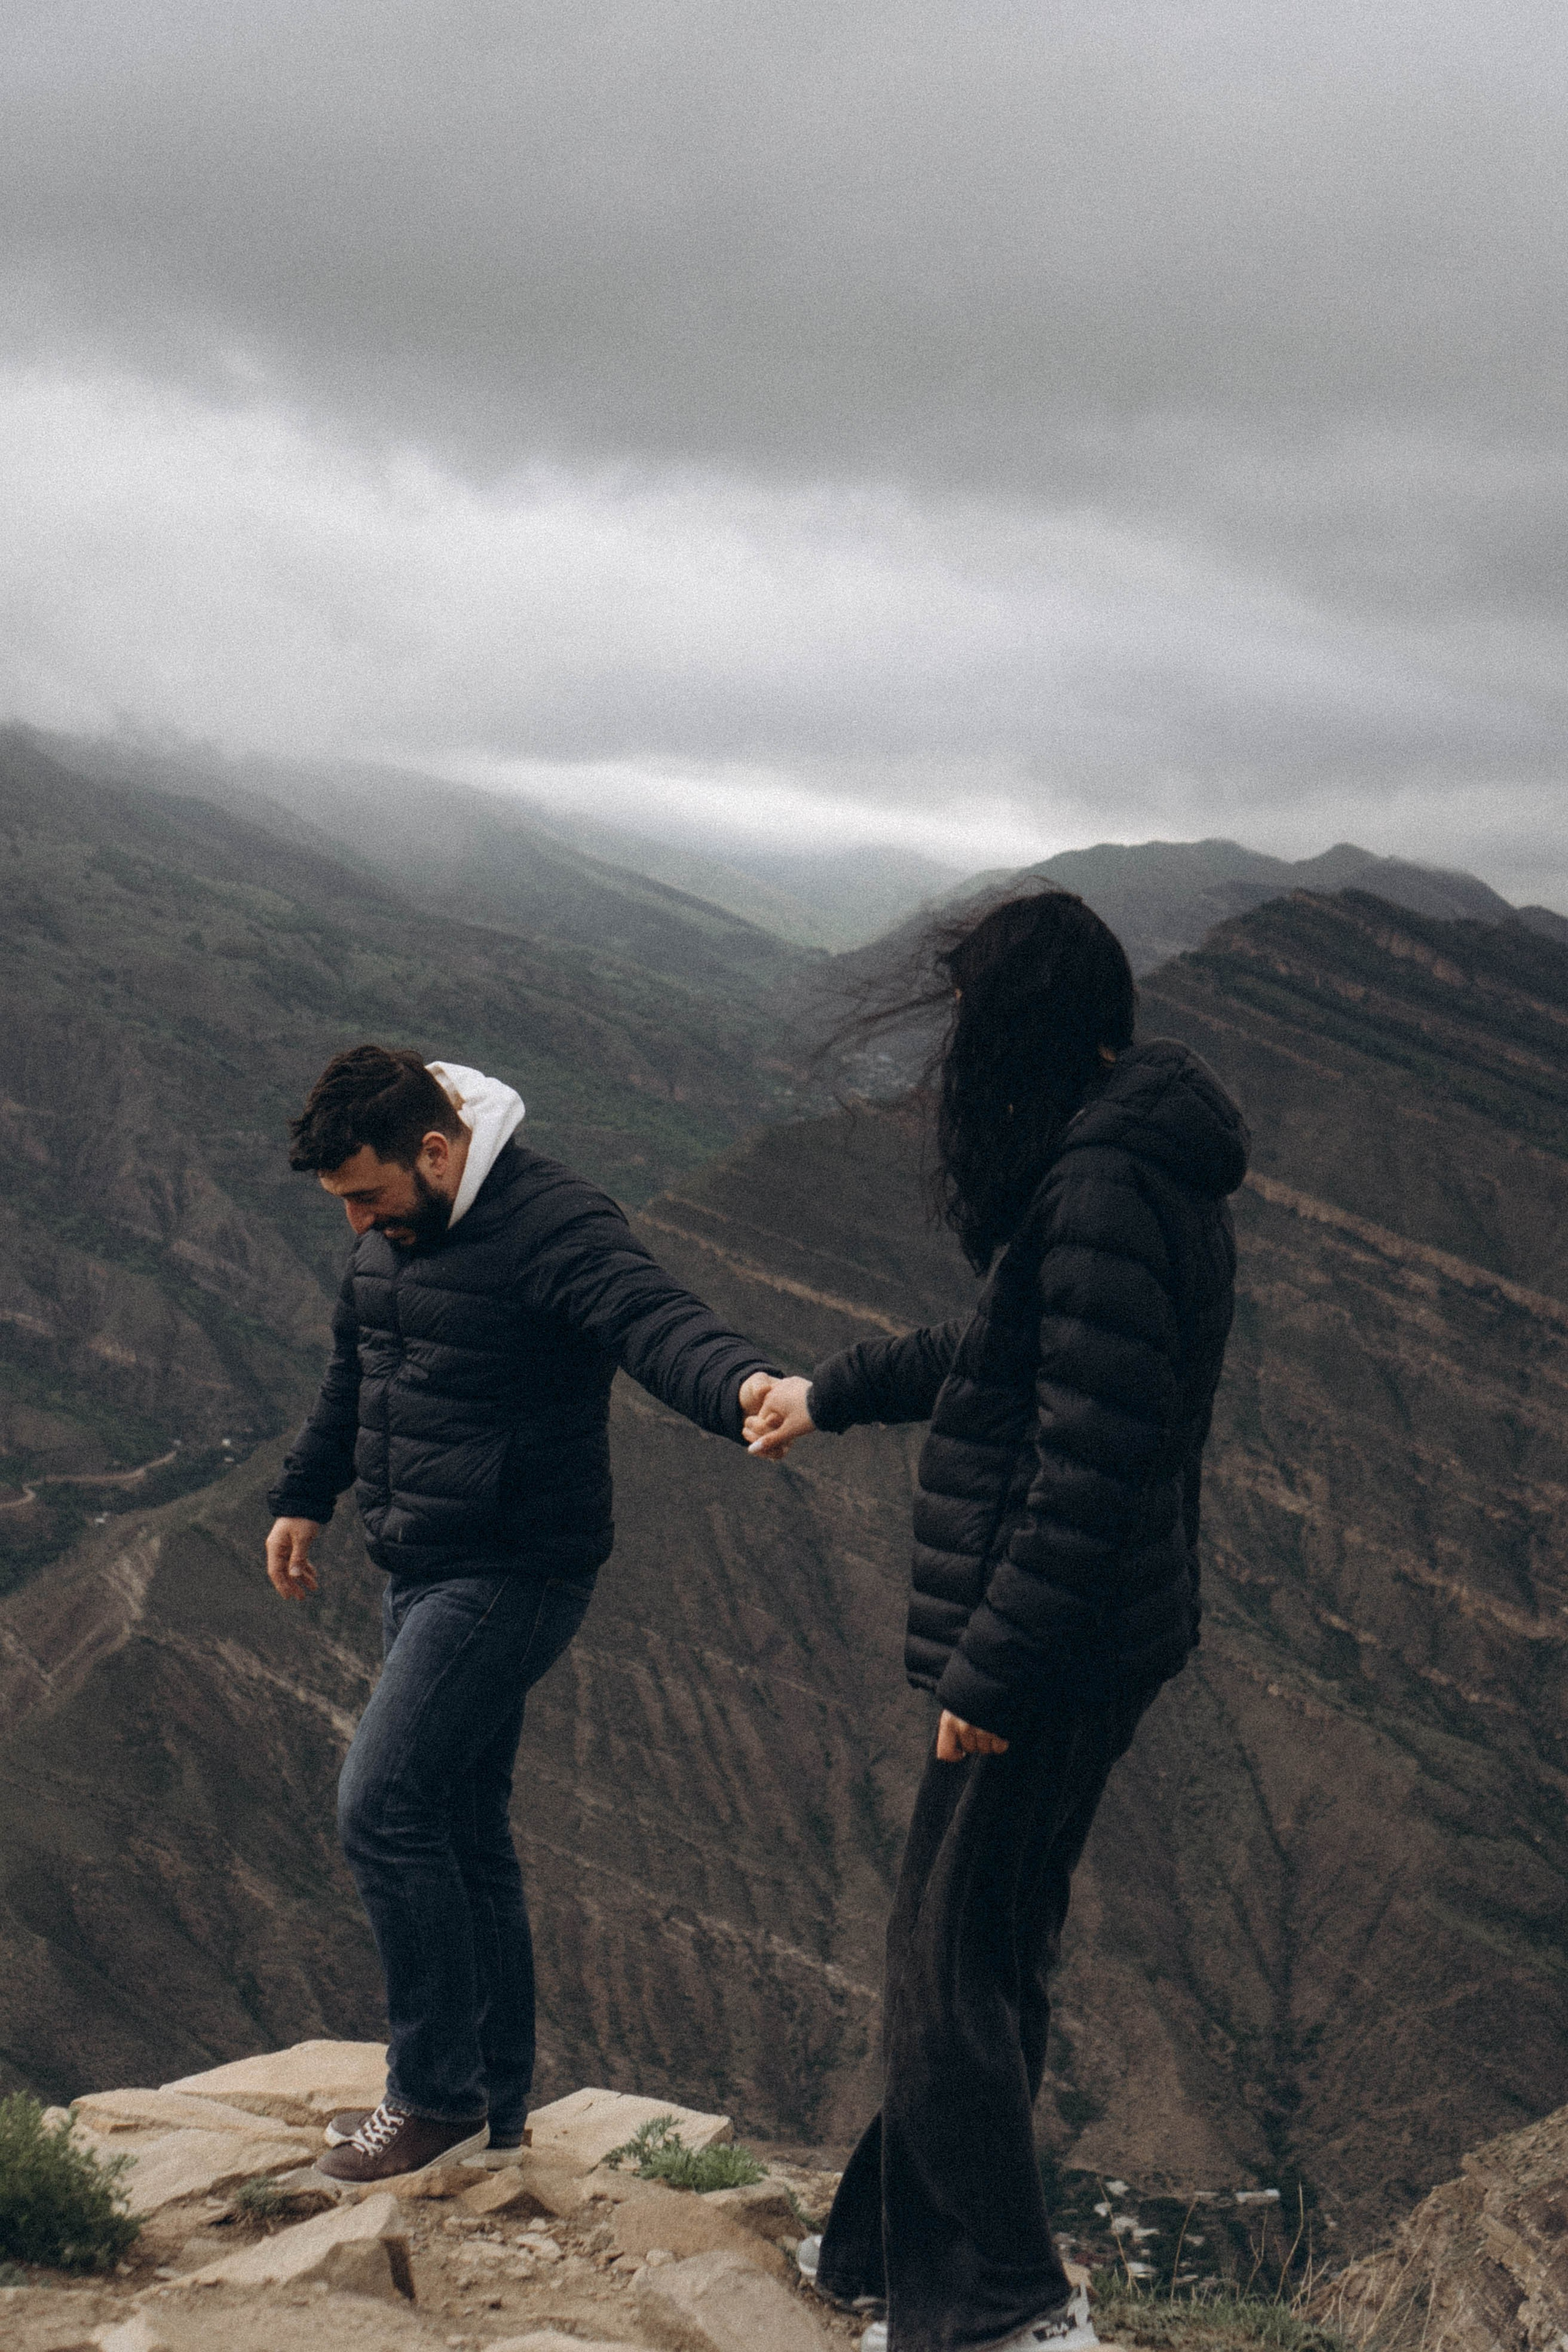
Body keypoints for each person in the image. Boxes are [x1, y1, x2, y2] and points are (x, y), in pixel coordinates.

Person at [744, 889, 1248, 2352]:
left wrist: (995, 1665)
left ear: (1024, 1025)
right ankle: (883, 2254)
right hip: (1091, 1634)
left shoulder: (1099, 1186)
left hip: (1056, 1643)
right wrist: (827, 1392)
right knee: (979, 1943)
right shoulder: (1123, 1167)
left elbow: (1087, 1464)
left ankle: (1008, 2311)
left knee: (949, 1964)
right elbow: (1004, 1350)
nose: (957, 1052)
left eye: (973, 1019)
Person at [264, 1045, 777, 2184]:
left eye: (367, 1195)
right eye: (342, 1202)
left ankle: (433, 2096)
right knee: (459, 1824)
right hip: (420, 1560)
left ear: (437, 1152)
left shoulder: (553, 1223)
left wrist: (743, 1386)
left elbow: (657, 1321)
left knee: (383, 1803)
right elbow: (361, 1367)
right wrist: (305, 1494)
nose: (355, 1223)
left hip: (513, 1573)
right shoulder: (397, 1237)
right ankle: (493, 2110)